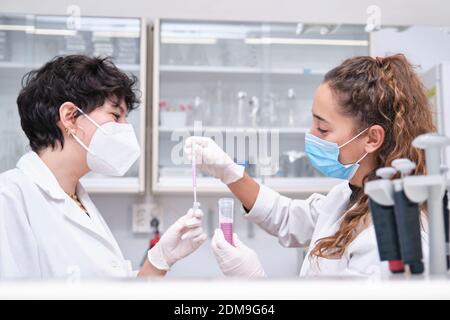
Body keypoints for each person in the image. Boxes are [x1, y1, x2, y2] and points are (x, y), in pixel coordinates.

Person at [185, 54, 433, 277]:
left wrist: (254, 284)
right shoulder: (349, 196)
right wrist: (229, 172)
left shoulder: (387, 239)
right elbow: (288, 217)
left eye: (323, 128)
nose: (311, 135)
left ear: (372, 139)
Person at [0, 55, 206, 279]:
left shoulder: (77, 199)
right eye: (116, 116)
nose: (126, 130)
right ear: (70, 117)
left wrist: (158, 260)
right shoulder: (10, 198)